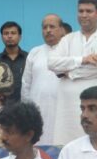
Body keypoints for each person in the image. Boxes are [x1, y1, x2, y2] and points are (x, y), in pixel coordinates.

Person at [48, 0, 97, 145]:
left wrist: (70, 73)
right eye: (80, 11)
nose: (84, 15)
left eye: (89, 11)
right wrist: (82, 60)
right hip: (68, 111)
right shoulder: (68, 39)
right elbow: (52, 63)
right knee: (69, 152)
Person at [21, 15, 65, 145]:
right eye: (44, 27)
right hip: (38, 111)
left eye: (52, 26)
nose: (48, 30)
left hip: (62, 111)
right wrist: (29, 112)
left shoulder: (69, 51)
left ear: (61, 30)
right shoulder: (35, 52)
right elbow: (26, 84)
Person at [0, 21, 28, 105]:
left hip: (25, 106)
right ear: (2, 37)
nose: (9, 36)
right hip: (2, 107)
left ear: (20, 37)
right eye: (6, 33)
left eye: (13, 33)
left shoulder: (29, 58)